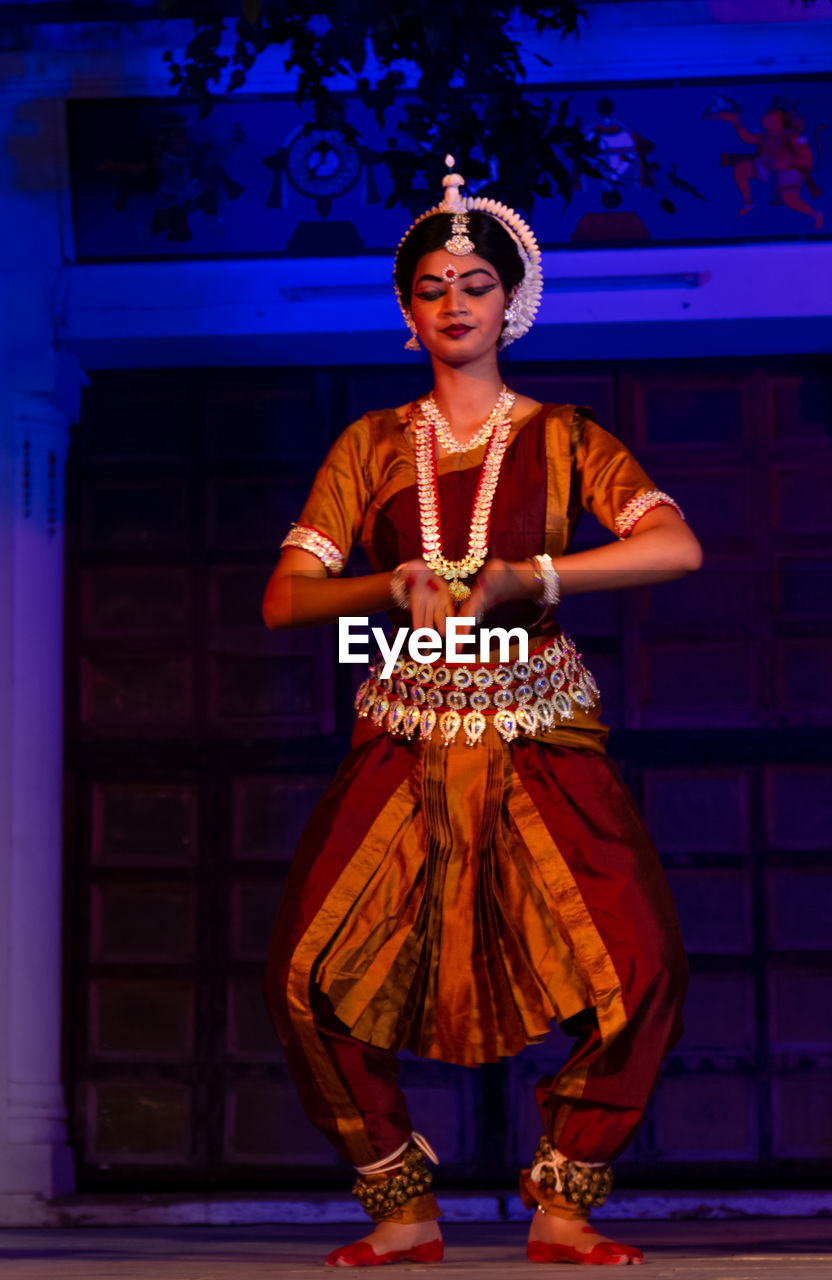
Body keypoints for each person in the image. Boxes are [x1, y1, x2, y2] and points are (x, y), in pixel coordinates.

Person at [262, 157, 703, 1268]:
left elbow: (674, 544)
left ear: (512, 301)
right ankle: (399, 1204)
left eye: (473, 281)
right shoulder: (368, 444)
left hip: (541, 729)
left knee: (640, 963)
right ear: (407, 312)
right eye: (431, 284)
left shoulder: (565, 437)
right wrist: (388, 585)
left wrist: (532, 579)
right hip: (404, 735)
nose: (454, 300)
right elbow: (285, 596)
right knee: (305, 971)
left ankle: (563, 1200)